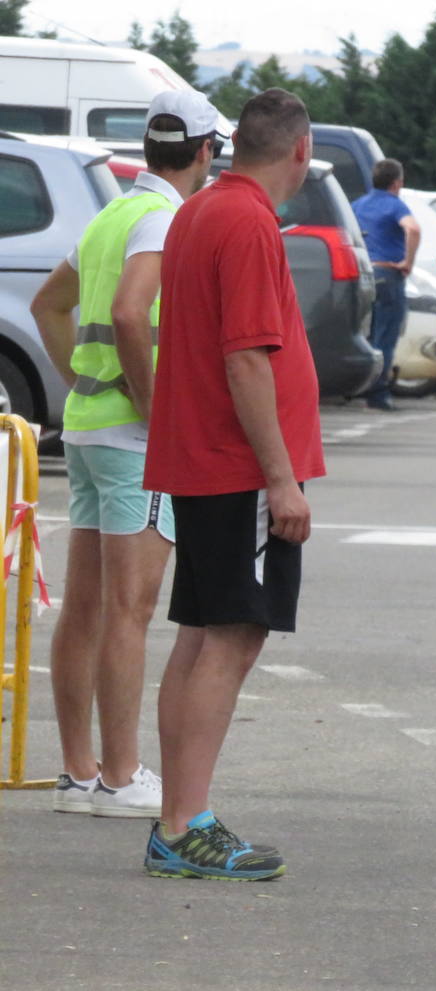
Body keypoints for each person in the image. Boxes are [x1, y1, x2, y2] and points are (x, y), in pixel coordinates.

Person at [140, 88, 325, 881]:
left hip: (205, 457)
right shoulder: (249, 222)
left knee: (200, 634)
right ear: (301, 151)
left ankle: (177, 817)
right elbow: (247, 357)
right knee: (231, 637)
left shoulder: (199, 210)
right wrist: (281, 482)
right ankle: (187, 824)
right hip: (238, 465)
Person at [29, 89, 223, 820]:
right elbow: (127, 310)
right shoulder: (164, 221)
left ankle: (80, 772)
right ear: (204, 152)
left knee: (85, 606)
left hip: (83, 427)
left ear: (149, 147)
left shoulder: (112, 213)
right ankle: (120, 774)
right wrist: (154, 409)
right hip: (131, 438)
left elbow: (52, 303)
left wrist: (81, 377)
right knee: (129, 609)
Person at [351, 157, 421, 411]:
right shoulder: (395, 206)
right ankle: (378, 393)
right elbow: (412, 229)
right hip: (388, 273)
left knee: (364, 334)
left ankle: (357, 385)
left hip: (362, 275)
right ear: (397, 183)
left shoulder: (358, 205)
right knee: (385, 336)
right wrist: (407, 262)